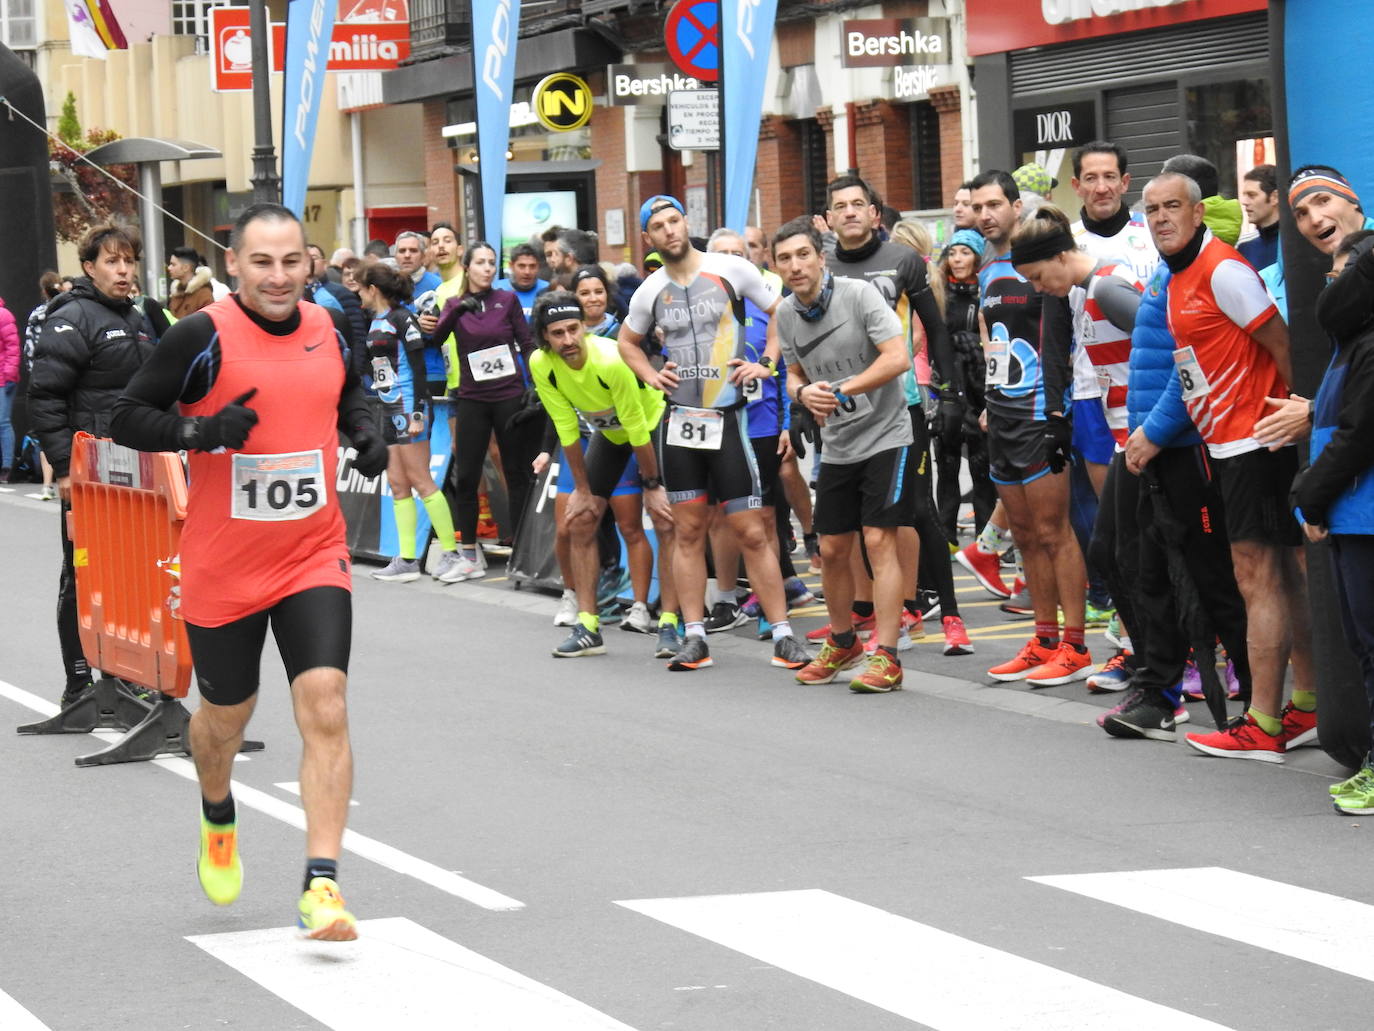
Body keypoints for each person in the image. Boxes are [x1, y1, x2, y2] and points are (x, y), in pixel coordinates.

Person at [109, 202, 389, 941]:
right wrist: (197, 430)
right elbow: (128, 416)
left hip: (311, 551)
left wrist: (365, 428)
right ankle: (217, 807)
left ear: (311, 262)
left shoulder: (329, 325)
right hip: (224, 564)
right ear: (233, 263)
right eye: (262, 262)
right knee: (224, 721)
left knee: (325, 702)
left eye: (292, 261)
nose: (278, 276)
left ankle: (321, 884)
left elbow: (348, 390)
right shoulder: (200, 335)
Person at [1125, 172, 1314, 762]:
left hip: (1257, 442)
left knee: (1260, 577)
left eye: (1172, 206)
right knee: (1281, 576)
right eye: (1152, 209)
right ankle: (1305, 707)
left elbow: (1282, 343)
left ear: (1198, 209)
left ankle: (1263, 720)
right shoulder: (1178, 277)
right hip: (1229, 445)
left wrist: (1302, 419)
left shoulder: (1223, 268)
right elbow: (1195, 369)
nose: (1160, 218)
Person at [617, 195, 810, 672]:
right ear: (650, 239)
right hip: (681, 421)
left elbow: (783, 314)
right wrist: (648, 375)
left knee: (751, 528)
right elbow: (626, 341)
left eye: (674, 221)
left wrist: (766, 364)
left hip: (729, 419)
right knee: (687, 531)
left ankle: (783, 634)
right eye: (658, 226)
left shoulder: (732, 269)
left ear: (686, 224)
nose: (669, 231)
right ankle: (696, 636)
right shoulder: (649, 290)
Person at [822, 174, 970, 656]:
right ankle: (886, 615)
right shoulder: (819, 265)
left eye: (857, 204)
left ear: (874, 214)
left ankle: (949, 615)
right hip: (842, 412)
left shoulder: (902, 260)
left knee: (918, 511)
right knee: (864, 525)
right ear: (828, 219)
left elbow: (936, 328)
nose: (849, 212)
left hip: (900, 407)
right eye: (840, 205)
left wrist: (949, 394)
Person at [774, 220, 917, 691]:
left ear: (819, 257)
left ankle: (888, 656)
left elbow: (898, 357)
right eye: (784, 259)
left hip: (886, 435)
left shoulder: (858, 296)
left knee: (878, 540)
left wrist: (840, 389)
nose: (795, 266)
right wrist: (802, 395)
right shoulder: (786, 314)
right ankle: (842, 642)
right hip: (838, 444)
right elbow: (792, 374)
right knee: (832, 548)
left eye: (802, 255)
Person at [1010, 205, 1147, 694]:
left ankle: (1160, 658)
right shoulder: (1085, 290)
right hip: (1104, 422)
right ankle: (1139, 653)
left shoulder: (1109, 285)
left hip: (1136, 432)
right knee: (1118, 548)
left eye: (1039, 276)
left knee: (1133, 547)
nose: (1039, 288)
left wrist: (1154, 426)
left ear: (1060, 255)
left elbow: (1165, 341)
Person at [28, 224, 161, 708]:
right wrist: (64, 469)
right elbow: (44, 397)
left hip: (139, 472)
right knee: (84, 574)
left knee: (139, 577)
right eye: (112, 261)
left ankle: (129, 675)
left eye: (129, 261)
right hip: (88, 476)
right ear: (89, 267)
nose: (123, 270)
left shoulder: (144, 317)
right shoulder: (72, 317)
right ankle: (79, 682)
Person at [970, 170, 1091, 686]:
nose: (984, 214)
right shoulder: (987, 268)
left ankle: (1076, 644)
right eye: (978, 206)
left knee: (1052, 532)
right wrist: (988, 399)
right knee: (1021, 534)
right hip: (1002, 414)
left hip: (1042, 412)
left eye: (995, 204)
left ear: (1017, 207)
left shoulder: (1049, 263)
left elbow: (1063, 341)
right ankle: (1043, 638)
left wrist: (1059, 410)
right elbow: (987, 333)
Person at [527, 291, 678, 657]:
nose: (568, 340)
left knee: (663, 519)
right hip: (608, 435)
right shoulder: (541, 364)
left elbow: (638, 429)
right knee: (581, 519)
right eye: (558, 333)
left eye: (574, 329)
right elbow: (566, 430)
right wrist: (582, 489)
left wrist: (652, 484)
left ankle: (671, 623)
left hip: (652, 425)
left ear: (585, 328)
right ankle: (588, 626)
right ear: (545, 337)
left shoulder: (610, 360)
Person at [1293, 231, 1374, 810]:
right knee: (1363, 646)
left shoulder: (1369, 344)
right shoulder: (1352, 342)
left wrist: (1310, 494)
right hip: (1351, 515)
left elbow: (1357, 435)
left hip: (1363, 516)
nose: (1331, 284)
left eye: (1342, 273)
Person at [702, 229, 814, 636]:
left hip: (763, 422)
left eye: (740, 253)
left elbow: (787, 368)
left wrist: (788, 424)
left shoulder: (768, 305)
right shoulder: (699, 305)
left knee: (764, 515)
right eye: (723, 254)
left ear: (753, 257)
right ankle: (727, 598)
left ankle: (772, 603)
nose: (732, 261)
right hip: (715, 424)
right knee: (721, 515)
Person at [427, 241, 536, 576]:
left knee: (516, 473)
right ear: (468, 266)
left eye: (492, 263)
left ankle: (520, 550)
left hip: (508, 394)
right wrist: (456, 311)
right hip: (473, 397)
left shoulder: (507, 300)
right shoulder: (456, 303)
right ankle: (469, 555)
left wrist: (536, 386)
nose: (488, 268)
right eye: (481, 263)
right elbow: (436, 339)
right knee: (470, 473)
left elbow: (528, 343)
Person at [355, 261, 464, 584]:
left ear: (373, 289)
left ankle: (452, 553)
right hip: (387, 409)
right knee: (398, 484)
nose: (357, 294)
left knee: (421, 480)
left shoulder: (403, 319)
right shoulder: (374, 319)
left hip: (409, 407)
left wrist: (417, 413)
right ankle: (406, 559)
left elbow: (418, 369)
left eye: (361, 288)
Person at [933, 229, 994, 545]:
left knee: (983, 466)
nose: (957, 259)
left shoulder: (985, 291)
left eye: (965, 253)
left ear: (977, 257)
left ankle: (986, 538)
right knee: (947, 462)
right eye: (953, 253)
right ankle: (946, 534)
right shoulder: (938, 293)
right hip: (948, 388)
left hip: (981, 388)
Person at [1238, 164, 1280, 273]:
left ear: (1274, 197)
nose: (1244, 202)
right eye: (1244, 195)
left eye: (1252, 195)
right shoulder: (1244, 248)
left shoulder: (1295, 246)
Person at [495, 243, 548, 320]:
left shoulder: (548, 290)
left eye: (532, 266)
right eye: (522, 266)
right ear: (511, 266)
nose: (527, 272)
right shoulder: (496, 288)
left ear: (538, 267)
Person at [570, 265, 621, 338]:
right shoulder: (568, 337)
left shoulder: (623, 335)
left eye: (599, 292)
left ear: (607, 294)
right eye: (585, 293)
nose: (593, 299)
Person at [166, 246, 216, 318]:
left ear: (186, 267)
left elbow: (208, 324)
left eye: (173, 264)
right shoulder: (175, 294)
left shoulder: (204, 294)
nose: (169, 268)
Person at [0, 292, 17, 476]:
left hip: (3, 379)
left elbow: (12, 346)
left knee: (2, 422)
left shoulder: (3, 315)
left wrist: (9, 374)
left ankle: (7, 466)